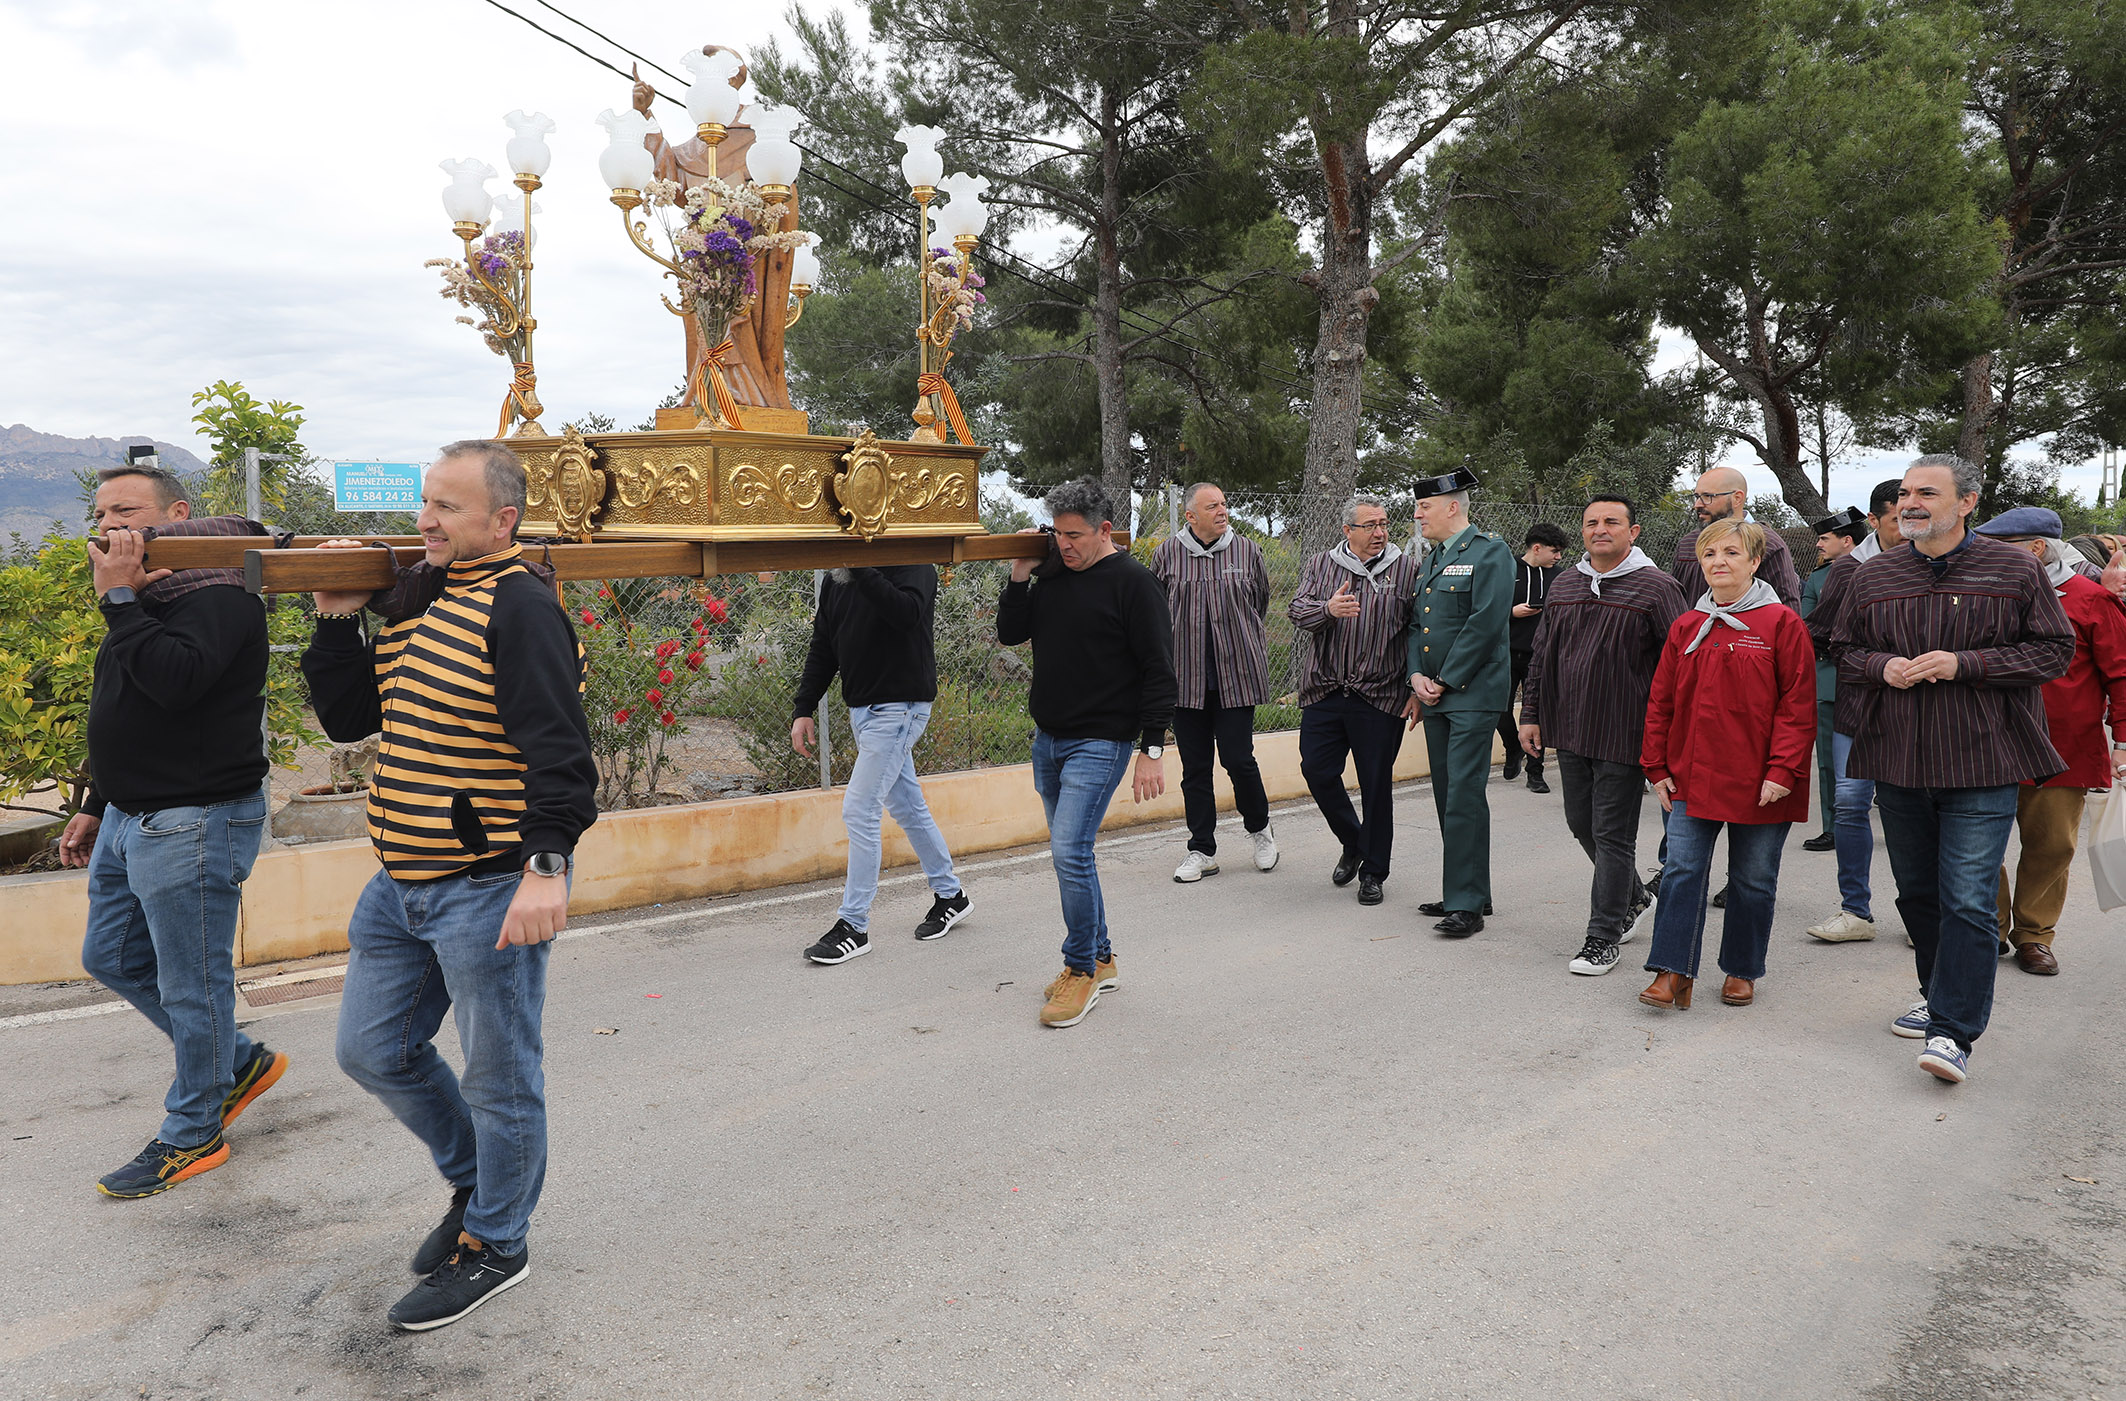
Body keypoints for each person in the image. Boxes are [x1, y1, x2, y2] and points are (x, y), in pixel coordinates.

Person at [303, 441, 599, 1329]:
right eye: (426, 502)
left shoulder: (521, 608)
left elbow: (563, 758)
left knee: (502, 1077)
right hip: (401, 879)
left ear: (501, 521)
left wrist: (545, 867)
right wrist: (330, 616)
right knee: (371, 1049)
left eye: (448, 508)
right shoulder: (425, 593)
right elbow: (355, 718)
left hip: (484, 885)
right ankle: (478, 1187)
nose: (426, 519)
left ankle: (498, 1240)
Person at [62, 453, 285, 1199]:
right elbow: (122, 697)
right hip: (131, 814)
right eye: (101, 516)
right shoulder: (147, 591)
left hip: (193, 820)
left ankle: (194, 1131)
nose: (108, 526)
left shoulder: (221, 596)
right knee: (113, 955)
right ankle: (239, 1061)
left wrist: (121, 603)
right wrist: (96, 801)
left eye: (125, 513)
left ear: (178, 515)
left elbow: (175, 681)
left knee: (194, 987)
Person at [1833, 455, 2073, 1084]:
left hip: (1983, 760)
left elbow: (2054, 650)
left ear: (1967, 503)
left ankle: (1953, 1031)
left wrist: (1963, 664)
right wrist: (1879, 666)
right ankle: (1942, 995)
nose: (1912, 502)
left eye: (1928, 493)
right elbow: (1842, 648)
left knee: (1967, 899)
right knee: (1917, 894)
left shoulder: (2016, 568)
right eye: (1906, 493)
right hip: (1898, 758)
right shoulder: (1873, 575)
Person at [996, 479, 1175, 1029]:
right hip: (1048, 739)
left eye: (1074, 536)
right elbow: (1009, 633)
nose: (1064, 544)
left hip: (1101, 740)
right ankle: (1101, 956)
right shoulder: (1051, 574)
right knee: (1073, 855)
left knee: (1069, 851)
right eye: (1056, 534)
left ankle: (1081, 971)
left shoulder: (1134, 583)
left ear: (1103, 531)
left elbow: (1159, 671)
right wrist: (1020, 575)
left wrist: (1151, 748)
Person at [1638, 519, 1816, 1011]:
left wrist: (1782, 771)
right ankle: (1672, 971)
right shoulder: (1686, 626)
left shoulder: (1782, 624)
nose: (1719, 562)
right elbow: (1661, 701)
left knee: (1753, 880)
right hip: (1692, 775)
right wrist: (1656, 765)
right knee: (1681, 870)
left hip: (1762, 781)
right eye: (1710, 553)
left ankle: (1741, 969)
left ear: (1755, 562)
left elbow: (1797, 706)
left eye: (1732, 553)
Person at [1519, 495, 1688, 976]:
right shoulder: (1566, 582)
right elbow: (1543, 655)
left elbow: (1679, 663)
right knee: (1581, 825)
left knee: (1612, 836)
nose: (1601, 529)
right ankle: (1633, 897)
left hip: (1625, 732)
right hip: (1571, 729)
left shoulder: (1657, 587)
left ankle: (1602, 937)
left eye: (1612, 522)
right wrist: (1531, 713)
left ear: (1633, 532)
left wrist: (1667, 732)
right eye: (1591, 522)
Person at [790, 565, 969, 964]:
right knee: (906, 804)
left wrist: (861, 569)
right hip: (865, 710)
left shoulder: (912, 560)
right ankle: (951, 895)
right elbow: (824, 644)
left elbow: (907, 614)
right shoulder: (837, 579)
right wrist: (804, 708)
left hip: (900, 707)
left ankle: (853, 926)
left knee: (860, 808)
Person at [1973, 507, 2126, 976]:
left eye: (2000, 549)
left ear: (2036, 550)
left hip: (2063, 749)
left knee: (2051, 846)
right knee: (1977, 845)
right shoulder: (1984, 594)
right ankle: (1986, 930)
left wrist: (2122, 742)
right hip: (1987, 744)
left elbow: (2121, 674)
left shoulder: (2091, 600)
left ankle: (2034, 935)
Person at [630, 53, 799, 411]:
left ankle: (747, 398)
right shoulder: (695, 147)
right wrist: (645, 116)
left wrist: (743, 228)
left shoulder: (759, 137)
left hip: (744, 258)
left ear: (732, 83)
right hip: (702, 259)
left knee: (738, 324)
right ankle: (707, 391)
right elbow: (671, 182)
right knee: (706, 325)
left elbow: (778, 198)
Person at [1288, 495, 1423, 906]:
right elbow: (1297, 610)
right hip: (1326, 691)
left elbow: (1420, 629)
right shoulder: (1321, 564)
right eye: (1370, 525)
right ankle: (1354, 841)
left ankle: (1374, 872)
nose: (1380, 532)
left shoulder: (1407, 569)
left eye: (1383, 524)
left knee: (1376, 786)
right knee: (1317, 771)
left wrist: (1417, 687)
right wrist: (1327, 609)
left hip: (1381, 696)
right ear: (1348, 531)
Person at [1148, 481, 1277, 883]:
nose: (1223, 511)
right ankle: (1202, 849)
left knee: (1239, 759)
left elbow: (1260, 603)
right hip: (1185, 681)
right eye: (1213, 506)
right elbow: (1155, 612)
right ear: (1190, 516)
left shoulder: (1248, 551)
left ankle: (1260, 830)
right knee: (1195, 768)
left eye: (1224, 503)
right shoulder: (1167, 554)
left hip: (1235, 676)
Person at [1408, 468, 1515, 937]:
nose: (1417, 515)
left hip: (1471, 693)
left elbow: (1485, 622)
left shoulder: (1491, 552)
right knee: (1448, 793)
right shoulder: (1433, 559)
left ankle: (1466, 903)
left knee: (1464, 796)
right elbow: (1418, 626)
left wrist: (1445, 679)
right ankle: (1467, 891)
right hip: (1435, 694)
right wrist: (1415, 676)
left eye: (1424, 507)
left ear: (1453, 506)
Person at [1800, 480, 1906, 943]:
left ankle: (1923, 914)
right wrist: (1864, 657)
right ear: (1876, 519)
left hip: (1917, 712)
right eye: (1900, 516)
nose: (1910, 523)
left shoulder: (1940, 566)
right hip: (1856, 706)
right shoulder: (1847, 572)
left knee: (1911, 811)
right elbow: (1816, 634)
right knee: (1849, 803)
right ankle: (1855, 910)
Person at [1798, 508, 1871, 852]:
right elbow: (1809, 624)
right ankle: (1834, 825)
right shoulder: (1817, 578)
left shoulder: (1881, 568)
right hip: (1829, 675)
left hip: (1871, 673)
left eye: (1825, 538)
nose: (1818, 544)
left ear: (1847, 541)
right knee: (1828, 758)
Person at [1499, 522, 1567, 792]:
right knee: (1498, 708)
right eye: (1554, 551)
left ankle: (1535, 772)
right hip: (1504, 652)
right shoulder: (1506, 569)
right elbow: (1485, 607)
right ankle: (1512, 746)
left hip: (1540, 656)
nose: (1558, 557)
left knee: (1535, 713)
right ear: (1536, 548)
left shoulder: (1560, 576)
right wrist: (1511, 613)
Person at [1671, 466, 1801, 606]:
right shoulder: (1688, 543)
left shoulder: (1767, 543)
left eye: (1708, 496)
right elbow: (1674, 601)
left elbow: (1787, 607)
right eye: (1697, 496)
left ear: (1737, 498)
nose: (1697, 505)